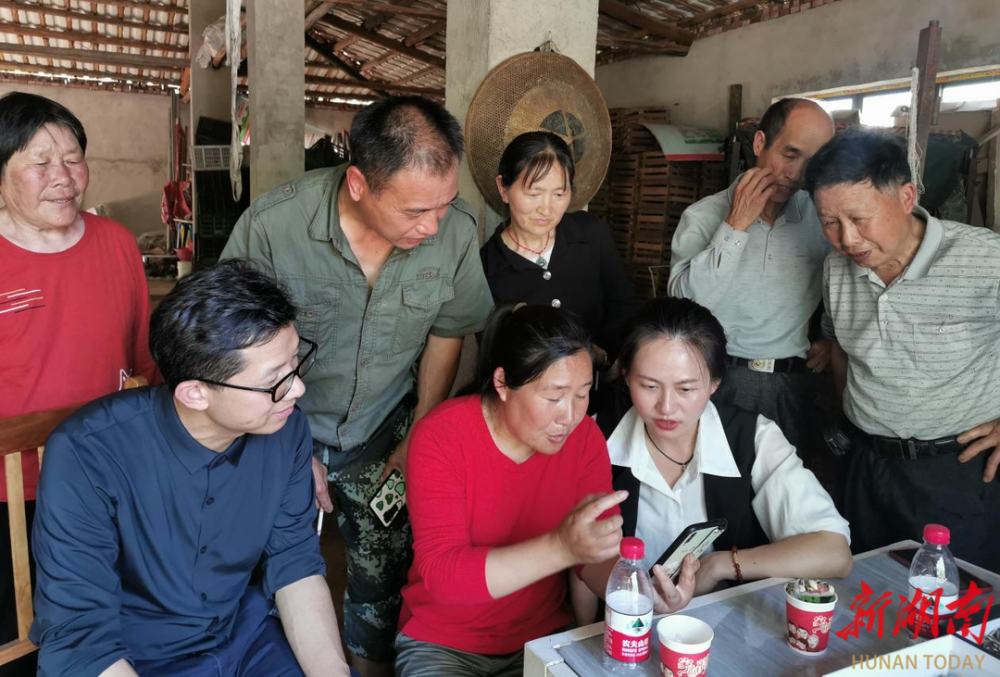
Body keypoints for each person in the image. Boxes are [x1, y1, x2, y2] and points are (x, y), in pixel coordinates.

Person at [221, 96, 492, 675]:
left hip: (381, 428)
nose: (433, 226)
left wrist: (420, 427)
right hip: (274, 429)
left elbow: (448, 328)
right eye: (417, 211)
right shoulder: (274, 227)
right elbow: (234, 350)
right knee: (255, 574)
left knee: (384, 575)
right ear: (359, 184)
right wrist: (293, 445)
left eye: (444, 205)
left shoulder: (455, 230)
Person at [30, 260, 353, 677]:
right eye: (276, 378)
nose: (299, 388)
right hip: (134, 660)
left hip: (246, 639)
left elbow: (295, 562)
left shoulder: (287, 429)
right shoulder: (86, 454)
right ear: (196, 393)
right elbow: (81, 641)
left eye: (296, 362)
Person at [396, 304, 696, 677]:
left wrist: (640, 596)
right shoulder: (442, 436)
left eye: (582, 394)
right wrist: (559, 548)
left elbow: (595, 556)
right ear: (503, 383)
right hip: (444, 643)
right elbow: (443, 575)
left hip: (540, 639)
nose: (569, 416)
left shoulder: (584, 438)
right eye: (553, 397)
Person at [0, 92, 156, 677]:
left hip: (108, 484)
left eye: (73, 158)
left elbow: (142, 357)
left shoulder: (115, 243)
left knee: (102, 631)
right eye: (40, 162)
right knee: (17, 639)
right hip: (9, 495)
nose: (63, 178)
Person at [806, 129, 1000, 569]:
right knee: (867, 601)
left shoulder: (984, 260)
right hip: (867, 468)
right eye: (829, 222)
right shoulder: (837, 268)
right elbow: (840, 350)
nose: (847, 239)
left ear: (907, 196)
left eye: (860, 218)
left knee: (952, 615)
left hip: (956, 471)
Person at [594, 296, 853, 594]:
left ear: (715, 383)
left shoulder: (753, 438)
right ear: (626, 376)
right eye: (649, 386)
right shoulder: (597, 437)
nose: (666, 407)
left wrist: (720, 565)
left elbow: (834, 552)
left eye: (686, 388)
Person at [668, 98, 836, 450]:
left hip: (790, 385)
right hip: (718, 380)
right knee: (716, 491)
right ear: (760, 144)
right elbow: (682, 306)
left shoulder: (820, 219)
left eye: (812, 161)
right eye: (789, 155)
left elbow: (850, 277)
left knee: (783, 494)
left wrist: (834, 340)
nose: (797, 174)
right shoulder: (702, 217)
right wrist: (735, 226)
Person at [480, 131, 636, 367]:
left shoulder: (591, 234)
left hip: (601, 385)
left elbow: (623, 304)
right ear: (503, 189)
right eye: (534, 194)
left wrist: (604, 356)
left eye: (559, 194)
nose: (547, 209)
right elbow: (494, 347)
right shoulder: (487, 265)